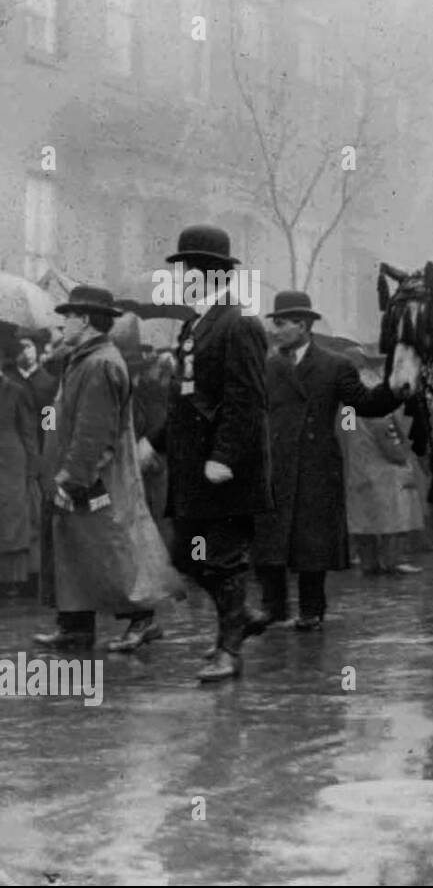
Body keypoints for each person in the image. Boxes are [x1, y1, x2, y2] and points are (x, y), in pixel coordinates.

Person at [139, 225, 273, 681]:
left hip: (226, 469)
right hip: (193, 467)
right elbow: (185, 400)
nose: (183, 278)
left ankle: (229, 651)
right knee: (184, 557)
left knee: (221, 556)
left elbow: (247, 400)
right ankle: (244, 616)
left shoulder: (240, 323)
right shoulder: (194, 326)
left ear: (215, 275)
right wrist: (153, 442)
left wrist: (226, 457)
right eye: (182, 271)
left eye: (191, 270)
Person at [30, 287, 180, 651]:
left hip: (96, 480)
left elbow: (94, 432)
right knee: (80, 549)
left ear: (83, 320)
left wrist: (73, 477)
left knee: (112, 549)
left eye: (67, 317)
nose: (62, 323)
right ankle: (75, 626)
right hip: (85, 476)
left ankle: (142, 619)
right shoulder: (87, 359)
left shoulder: (99, 363)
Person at [253, 291, 402, 630]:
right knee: (272, 541)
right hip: (275, 465)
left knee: (311, 542)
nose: (276, 331)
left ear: (303, 325)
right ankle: (273, 608)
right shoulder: (268, 367)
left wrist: (395, 387)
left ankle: (311, 611)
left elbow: (365, 404)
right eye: (275, 324)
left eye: (282, 323)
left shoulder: (335, 365)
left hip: (315, 463)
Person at [340, 352, 426, 576]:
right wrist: (401, 453)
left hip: (358, 461)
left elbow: (347, 429)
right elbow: (383, 429)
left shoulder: (346, 394)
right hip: (382, 466)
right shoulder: (372, 389)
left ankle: (369, 563)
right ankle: (393, 561)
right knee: (392, 516)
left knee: (363, 518)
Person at [0, 370, 37, 594]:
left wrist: (36, 465)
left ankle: (14, 580)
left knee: (12, 518)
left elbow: (33, 428)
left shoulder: (18, 390)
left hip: (11, 461)